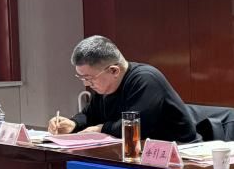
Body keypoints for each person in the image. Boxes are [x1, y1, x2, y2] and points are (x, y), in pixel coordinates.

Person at [48, 35, 196, 143]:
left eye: (89, 78)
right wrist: (73, 123)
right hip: (133, 154)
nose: (87, 83)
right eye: (82, 78)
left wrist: (101, 129)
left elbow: (135, 126)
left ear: (114, 70)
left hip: (178, 154)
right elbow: (90, 115)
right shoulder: (104, 85)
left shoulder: (146, 79)